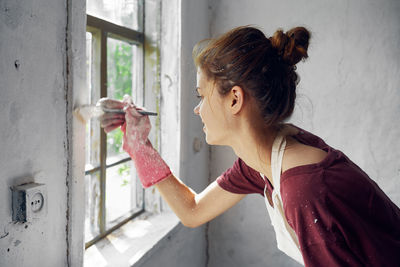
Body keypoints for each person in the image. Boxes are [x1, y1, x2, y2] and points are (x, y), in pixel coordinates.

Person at [99, 26, 400, 266]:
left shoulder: (305, 188)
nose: (198, 109)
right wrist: (140, 146)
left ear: (234, 99)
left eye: (201, 96)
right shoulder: (261, 162)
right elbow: (192, 211)